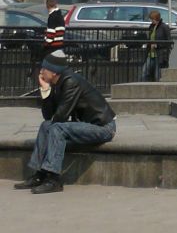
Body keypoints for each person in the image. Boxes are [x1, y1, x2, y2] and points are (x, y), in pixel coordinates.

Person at [15, 55, 117, 194]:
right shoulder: (58, 83)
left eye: (44, 68)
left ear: (54, 72)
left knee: (57, 128)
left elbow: (61, 116)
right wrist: (45, 90)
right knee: (46, 125)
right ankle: (40, 175)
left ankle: (53, 180)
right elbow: (49, 116)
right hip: (85, 126)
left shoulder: (71, 81)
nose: (41, 72)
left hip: (103, 128)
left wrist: (54, 119)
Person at [143, 9, 172, 82]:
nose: (151, 21)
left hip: (160, 54)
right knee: (144, 72)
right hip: (150, 54)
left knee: (157, 75)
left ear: (157, 18)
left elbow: (168, 41)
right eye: (151, 19)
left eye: (152, 19)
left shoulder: (164, 27)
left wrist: (157, 45)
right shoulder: (151, 27)